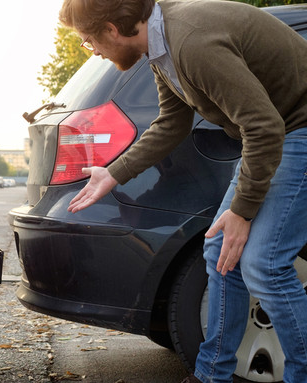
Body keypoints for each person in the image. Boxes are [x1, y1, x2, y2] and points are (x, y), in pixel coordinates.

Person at [59, 0, 307, 382]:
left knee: (264, 264)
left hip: (296, 128)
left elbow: (264, 126)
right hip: (273, 133)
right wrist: (113, 174)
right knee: (221, 250)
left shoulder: (192, 41)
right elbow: (172, 122)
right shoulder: (160, 46)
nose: (93, 50)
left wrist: (242, 212)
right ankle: (212, 374)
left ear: (111, 28)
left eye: (89, 40)